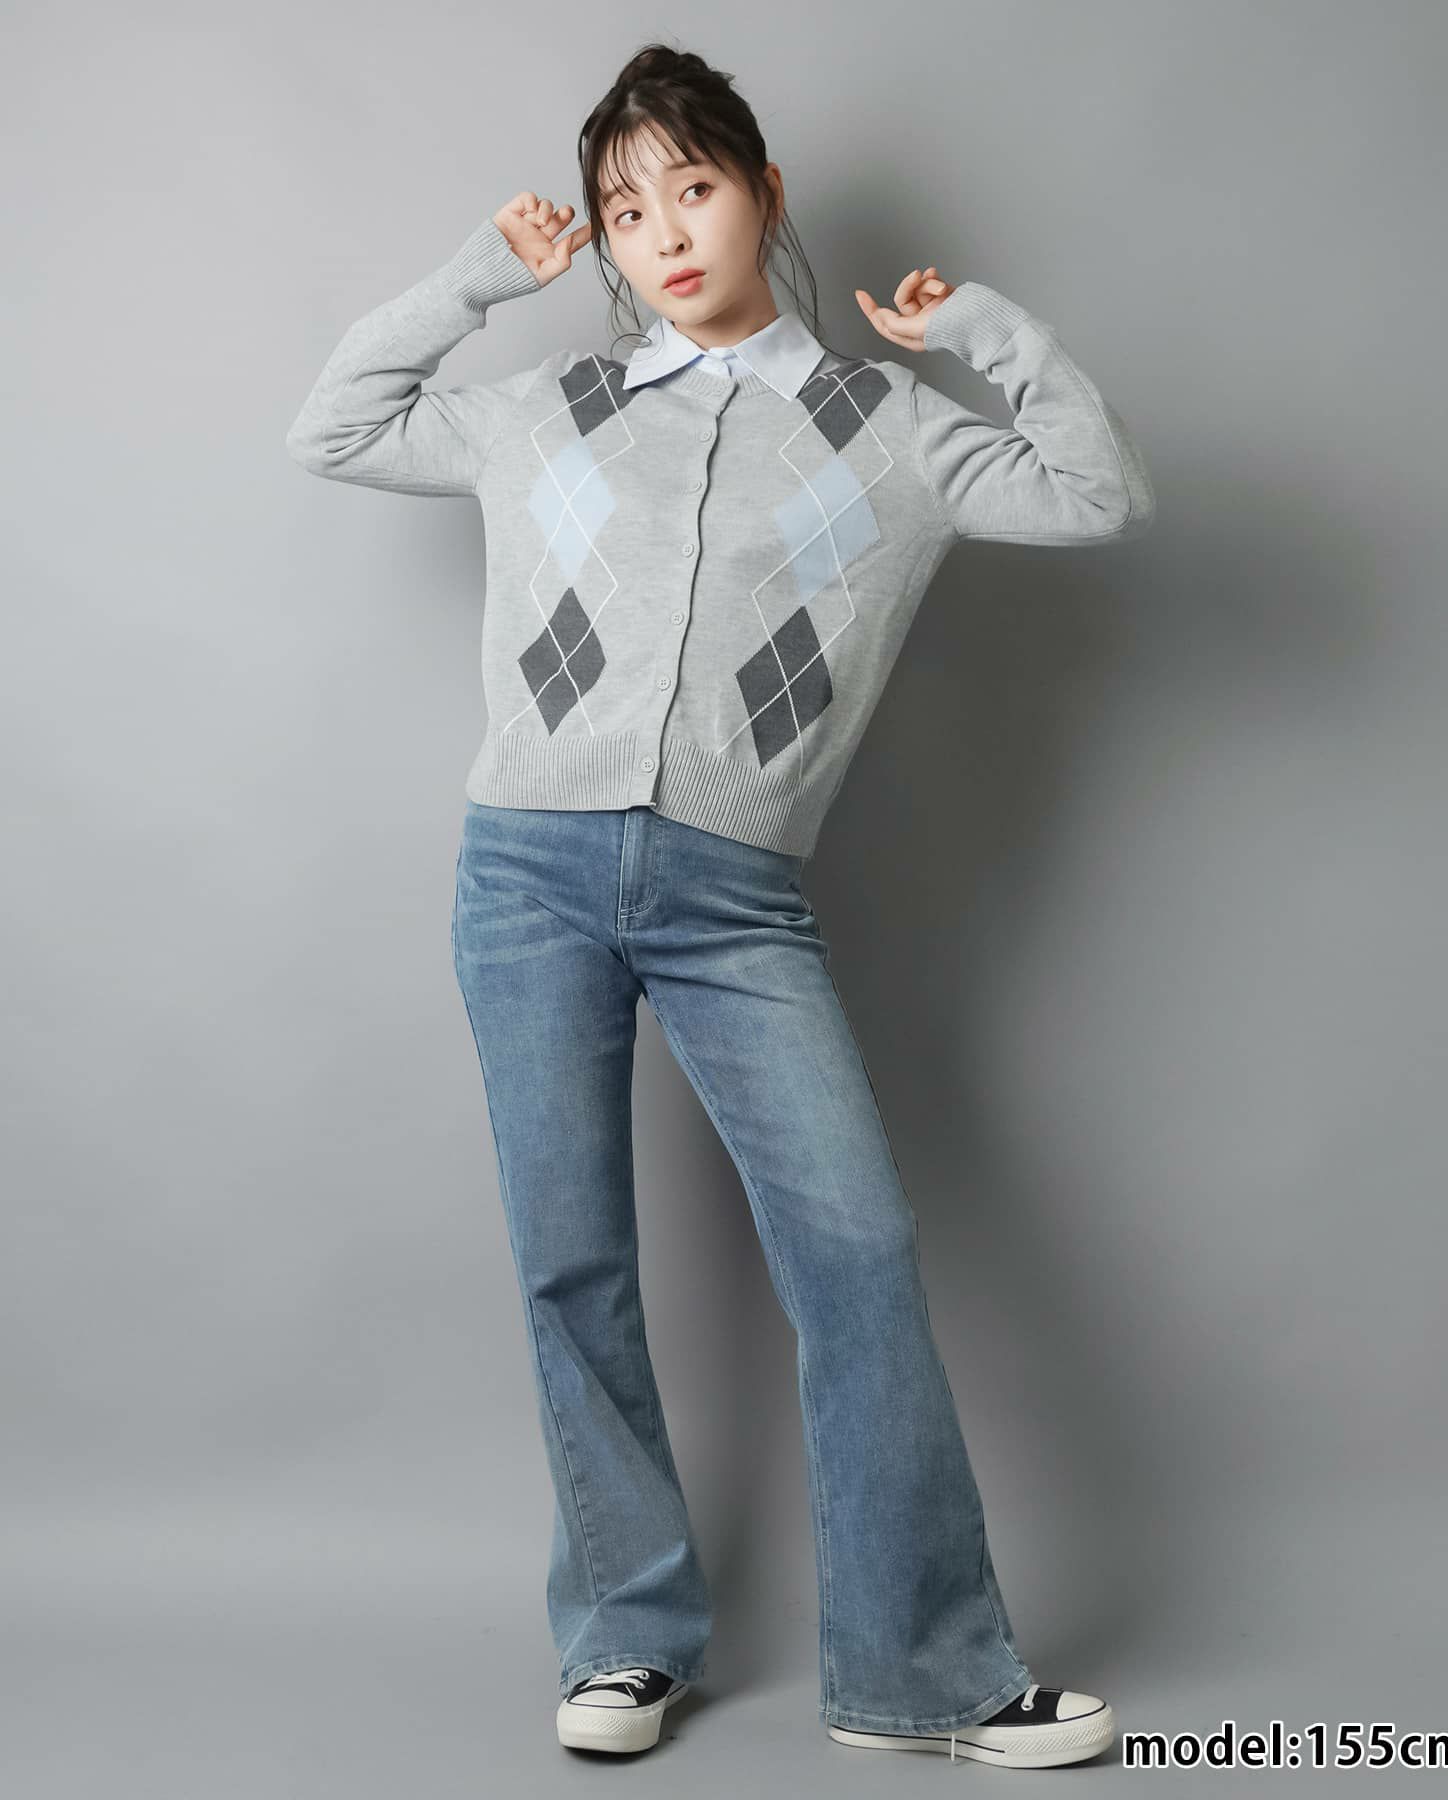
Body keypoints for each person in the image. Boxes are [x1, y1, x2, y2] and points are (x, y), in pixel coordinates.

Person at [286, 40, 1154, 1771]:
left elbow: (1097, 489)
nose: (664, 234)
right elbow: (336, 426)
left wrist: (984, 336)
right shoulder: (550, 406)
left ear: (763, 192)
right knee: (573, 1260)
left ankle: (925, 1673)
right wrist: (479, 278)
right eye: (625, 210)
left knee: (858, 1251)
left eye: (692, 187)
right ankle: (625, 1636)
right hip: (526, 874)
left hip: (735, 899)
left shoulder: (889, 432)